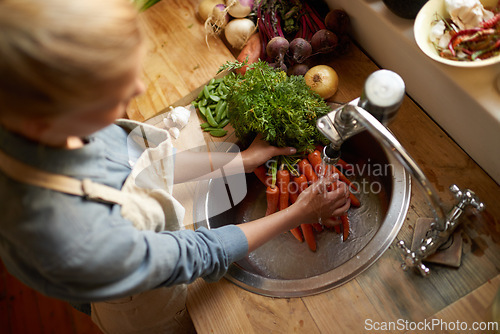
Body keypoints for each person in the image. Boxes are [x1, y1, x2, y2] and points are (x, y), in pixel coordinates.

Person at [0, 0, 351, 333]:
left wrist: (242, 160)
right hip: (145, 311)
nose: (137, 87)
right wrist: (299, 213)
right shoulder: (73, 235)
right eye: (113, 88)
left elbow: (144, 166)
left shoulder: (43, 121)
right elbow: (197, 254)